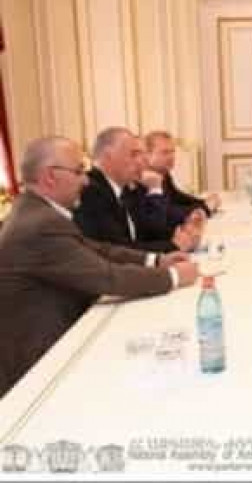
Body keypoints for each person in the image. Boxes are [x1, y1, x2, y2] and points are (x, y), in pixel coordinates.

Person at [0, 137, 199, 397]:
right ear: (50, 176)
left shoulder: (37, 211)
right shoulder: (39, 224)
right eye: (78, 171)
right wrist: (173, 276)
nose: (85, 180)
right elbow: (107, 278)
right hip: (37, 371)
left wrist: (155, 260)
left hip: (60, 340)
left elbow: (96, 248)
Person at [74, 127, 199, 253]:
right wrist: (173, 246)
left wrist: (181, 234)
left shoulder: (121, 189)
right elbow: (119, 248)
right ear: (108, 156)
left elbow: (145, 232)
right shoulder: (92, 191)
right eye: (133, 154)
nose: (140, 162)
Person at [145, 130, 220, 233]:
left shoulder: (163, 172)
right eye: (165, 152)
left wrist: (203, 202)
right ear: (148, 155)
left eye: (173, 151)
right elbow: (169, 214)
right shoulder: (146, 179)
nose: (171, 157)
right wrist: (205, 208)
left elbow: (177, 197)